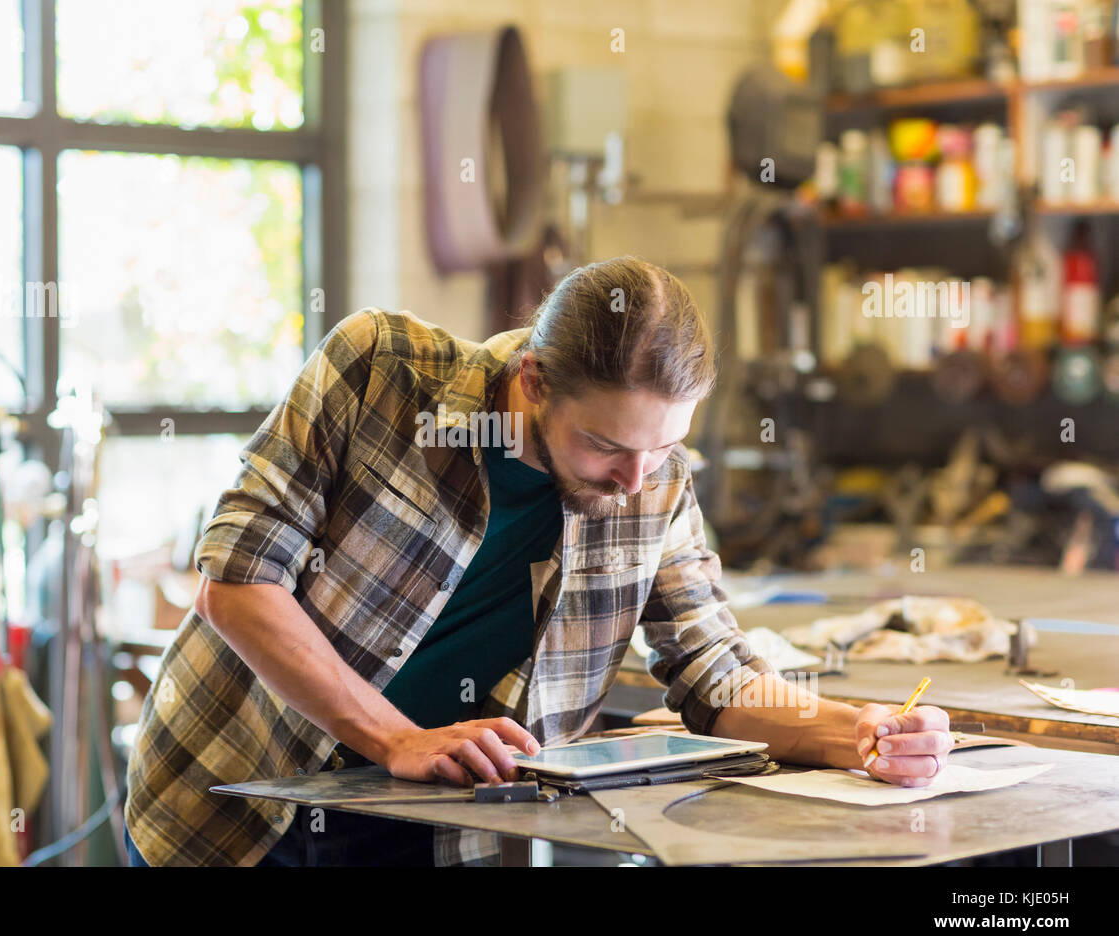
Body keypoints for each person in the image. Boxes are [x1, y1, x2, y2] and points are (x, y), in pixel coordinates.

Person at [123, 255, 952, 866]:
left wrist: (862, 733)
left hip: (431, 830)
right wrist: (397, 737)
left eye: (665, 447)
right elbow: (236, 582)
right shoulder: (378, 373)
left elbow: (715, 676)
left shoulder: (653, 479)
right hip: (234, 798)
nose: (634, 483)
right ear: (531, 382)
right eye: (604, 446)